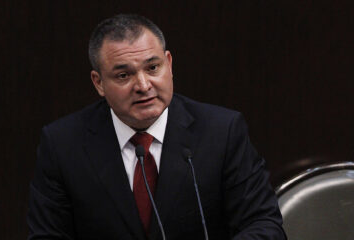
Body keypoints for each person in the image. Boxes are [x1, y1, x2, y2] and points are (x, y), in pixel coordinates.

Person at [27, 14, 286, 240]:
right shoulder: (63, 144)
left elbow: (264, 225)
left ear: (169, 64)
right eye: (123, 75)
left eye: (153, 68)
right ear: (99, 83)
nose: (143, 85)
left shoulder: (222, 131)